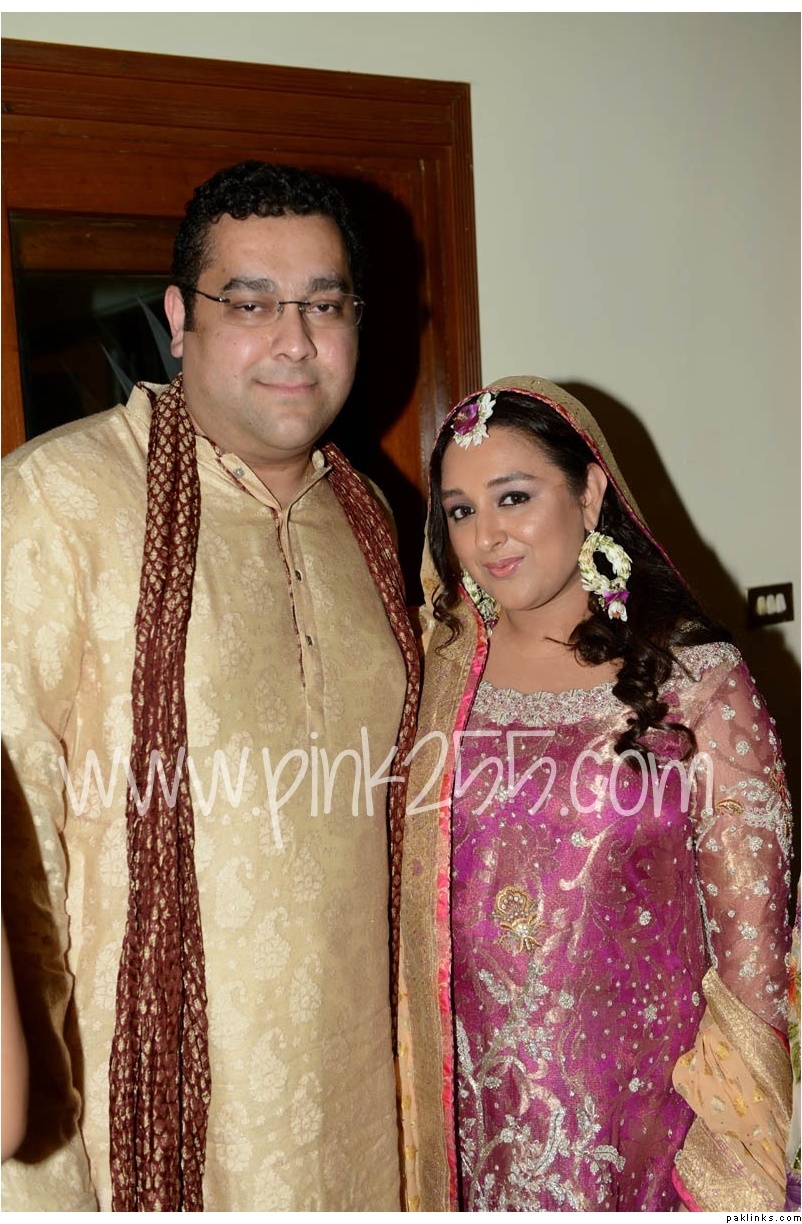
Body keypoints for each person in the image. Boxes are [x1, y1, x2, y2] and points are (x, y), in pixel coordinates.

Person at [1, 160, 420, 1211]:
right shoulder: (56, 500)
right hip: (153, 1125)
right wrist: (40, 1174)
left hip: (369, 1115)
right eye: (252, 302)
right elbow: (15, 854)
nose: (295, 340)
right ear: (181, 319)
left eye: (325, 304)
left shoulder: (371, 519)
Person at [399, 376, 792, 1211]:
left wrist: (733, 1168)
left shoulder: (696, 683)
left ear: (590, 493)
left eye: (514, 497)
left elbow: (753, 957)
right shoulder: (431, 680)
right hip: (459, 1127)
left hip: (646, 1135)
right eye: (461, 510)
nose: (486, 536)